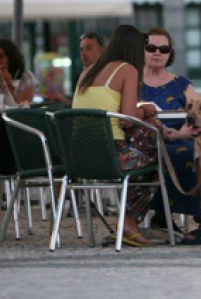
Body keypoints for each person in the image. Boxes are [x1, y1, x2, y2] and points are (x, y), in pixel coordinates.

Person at [71, 25, 165, 247]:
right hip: (110, 156)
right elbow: (129, 119)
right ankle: (129, 224)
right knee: (155, 160)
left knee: (143, 146)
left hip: (78, 158)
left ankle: (126, 224)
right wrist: (147, 110)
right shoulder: (127, 70)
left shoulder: (88, 71)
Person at [139, 27, 201, 244]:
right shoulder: (132, 81)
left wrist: (183, 132)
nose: (157, 52)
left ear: (170, 54)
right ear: (143, 50)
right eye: (151, 47)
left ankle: (196, 216)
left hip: (181, 136)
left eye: (163, 49)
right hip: (144, 139)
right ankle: (161, 216)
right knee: (165, 154)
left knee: (188, 152)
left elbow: (198, 114)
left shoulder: (182, 83)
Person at [0, 39, 37, 105]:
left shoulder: (26, 76)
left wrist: (9, 86)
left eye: (1, 56)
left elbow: (21, 108)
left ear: (11, 57)